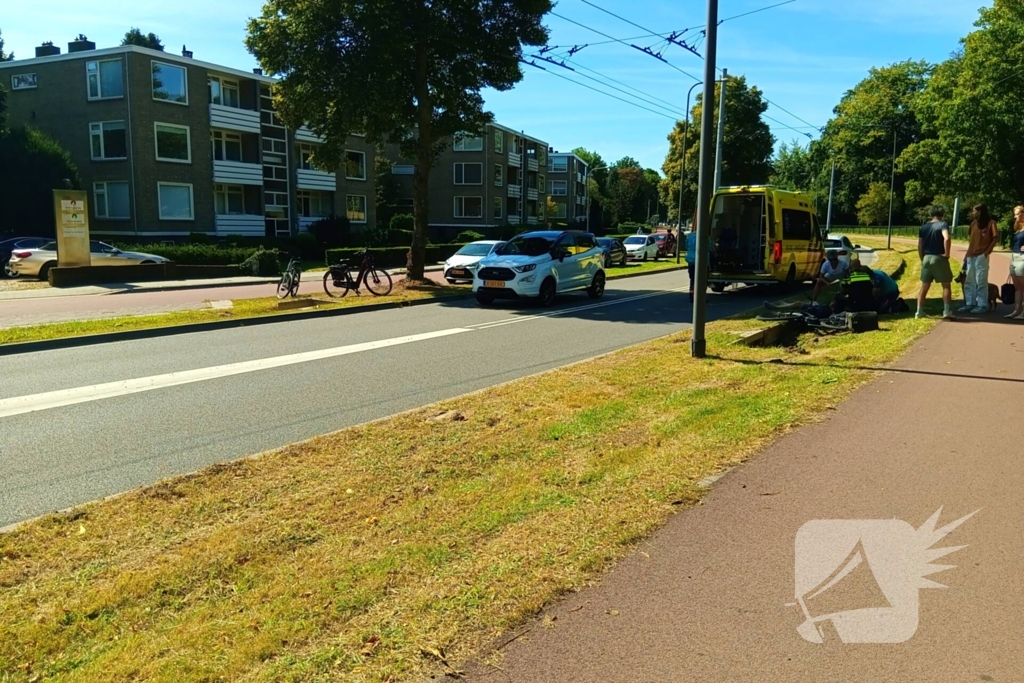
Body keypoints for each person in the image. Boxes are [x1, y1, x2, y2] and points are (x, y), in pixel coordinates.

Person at [959, 204, 999, 314]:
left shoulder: (991, 223)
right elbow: (971, 241)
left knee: (981, 280)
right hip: (971, 256)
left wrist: (987, 252)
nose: (973, 213)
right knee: (969, 281)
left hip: (982, 255)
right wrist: (966, 256)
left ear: (980, 212)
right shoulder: (973, 224)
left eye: (974, 211)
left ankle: (982, 305)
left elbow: (995, 238)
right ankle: (970, 303)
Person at [918, 205, 955, 320]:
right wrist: (947, 253)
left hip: (926, 257)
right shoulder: (943, 225)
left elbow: (919, 245)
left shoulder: (923, 227)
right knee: (946, 285)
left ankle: (919, 311)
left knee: (924, 286)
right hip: (939, 257)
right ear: (942, 214)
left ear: (931, 214)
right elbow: (947, 238)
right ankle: (946, 311)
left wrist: (922, 258)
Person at [1006, 205, 1024, 319]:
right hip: (1014, 257)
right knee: (1018, 287)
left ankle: (1023, 313)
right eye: (1015, 214)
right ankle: (1016, 311)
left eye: (1017, 214)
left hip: (1023, 258)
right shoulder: (1018, 227)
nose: (1015, 216)